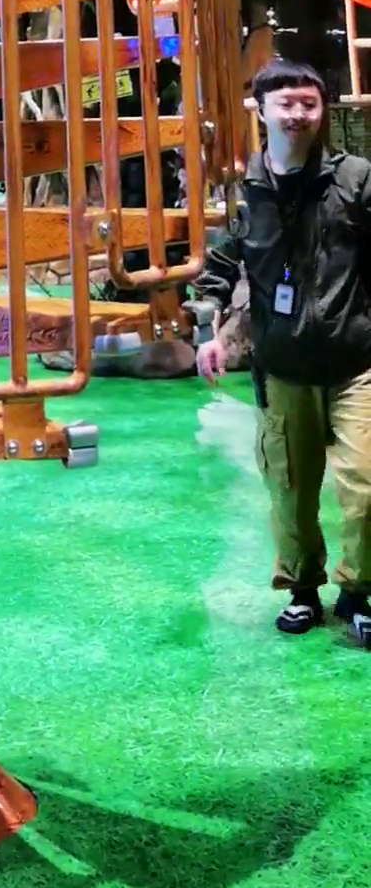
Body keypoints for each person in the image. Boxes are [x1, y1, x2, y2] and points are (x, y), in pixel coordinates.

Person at [195, 57, 371, 640]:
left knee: (368, 484)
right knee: (290, 488)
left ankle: (359, 592)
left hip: (356, 361)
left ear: (322, 110)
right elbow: (217, 266)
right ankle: (301, 589)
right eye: (286, 103)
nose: (298, 114)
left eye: (309, 103)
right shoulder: (242, 194)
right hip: (283, 368)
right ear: (262, 110)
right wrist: (210, 332)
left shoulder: (355, 181)